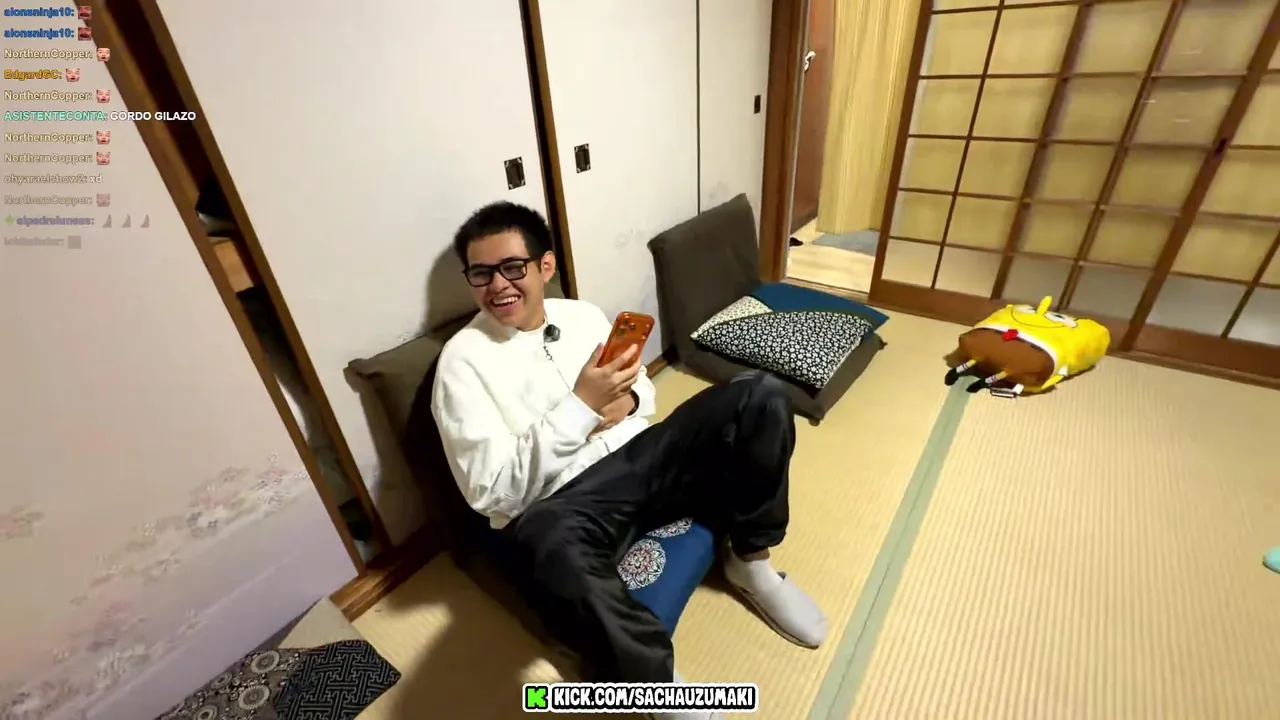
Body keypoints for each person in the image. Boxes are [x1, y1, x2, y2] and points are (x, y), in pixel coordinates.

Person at [430, 202, 827, 719]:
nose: (498, 285)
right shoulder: (461, 363)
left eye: (512, 267)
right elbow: (491, 493)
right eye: (481, 273)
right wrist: (580, 408)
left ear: (545, 266)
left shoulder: (581, 316)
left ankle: (752, 564)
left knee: (761, 395)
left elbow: (642, 389)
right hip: (569, 503)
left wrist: (631, 400)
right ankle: (656, 684)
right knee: (545, 539)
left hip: (644, 458)